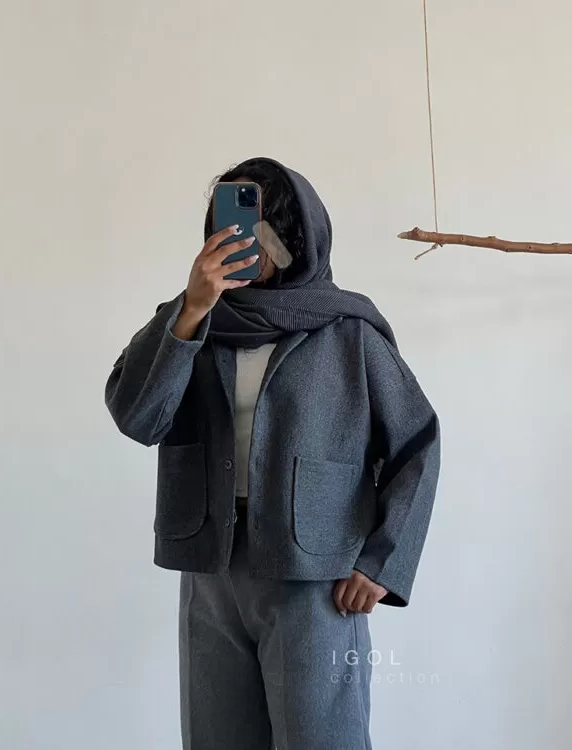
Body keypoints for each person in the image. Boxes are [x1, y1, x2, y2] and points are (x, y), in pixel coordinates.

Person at [104, 156, 441, 749]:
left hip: (315, 577)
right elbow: (137, 418)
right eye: (229, 223)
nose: (243, 241)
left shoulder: (348, 331)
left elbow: (417, 442)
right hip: (211, 567)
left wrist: (381, 562)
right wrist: (191, 311)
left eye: (259, 227)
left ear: (295, 236)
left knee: (321, 739)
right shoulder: (189, 322)